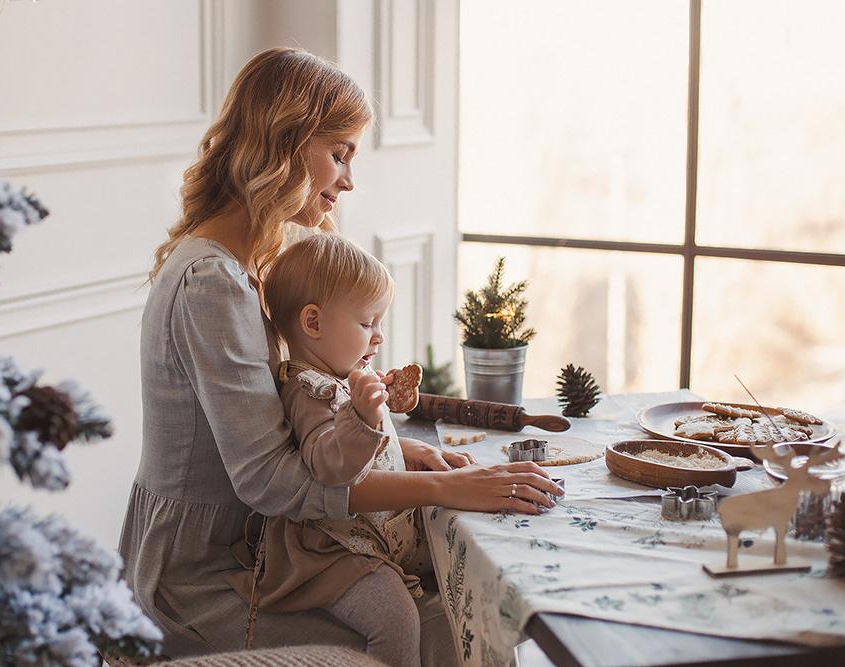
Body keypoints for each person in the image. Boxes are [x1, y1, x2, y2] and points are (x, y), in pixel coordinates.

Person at [116, 46, 564, 663]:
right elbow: (270, 483)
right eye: (339, 154)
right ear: (286, 142)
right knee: (435, 628)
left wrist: (400, 451)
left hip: (254, 551)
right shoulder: (211, 283)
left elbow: (282, 435)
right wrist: (444, 490)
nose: (347, 182)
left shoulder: (241, 266)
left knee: (444, 606)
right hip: (196, 581)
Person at [230, 233, 434, 667]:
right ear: (314, 323)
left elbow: (375, 445)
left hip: (367, 533)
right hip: (331, 549)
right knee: (396, 619)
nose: (378, 337)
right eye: (367, 324)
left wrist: (397, 433)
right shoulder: (310, 391)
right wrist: (362, 418)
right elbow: (329, 465)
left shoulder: (340, 380)